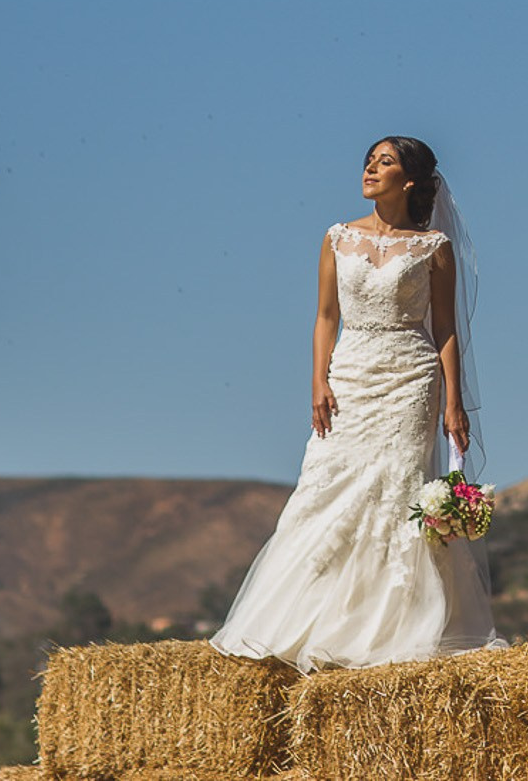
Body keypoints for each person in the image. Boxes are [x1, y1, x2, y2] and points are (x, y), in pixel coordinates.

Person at [210, 136, 500, 667]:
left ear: (408, 180)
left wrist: (452, 402)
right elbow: (325, 317)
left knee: (395, 494)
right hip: (350, 377)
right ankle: (304, 622)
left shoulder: (434, 247)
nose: (370, 167)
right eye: (369, 160)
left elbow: (445, 329)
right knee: (325, 486)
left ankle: (391, 628)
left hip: (410, 381)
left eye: (384, 162)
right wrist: (318, 381)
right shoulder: (336, 238)